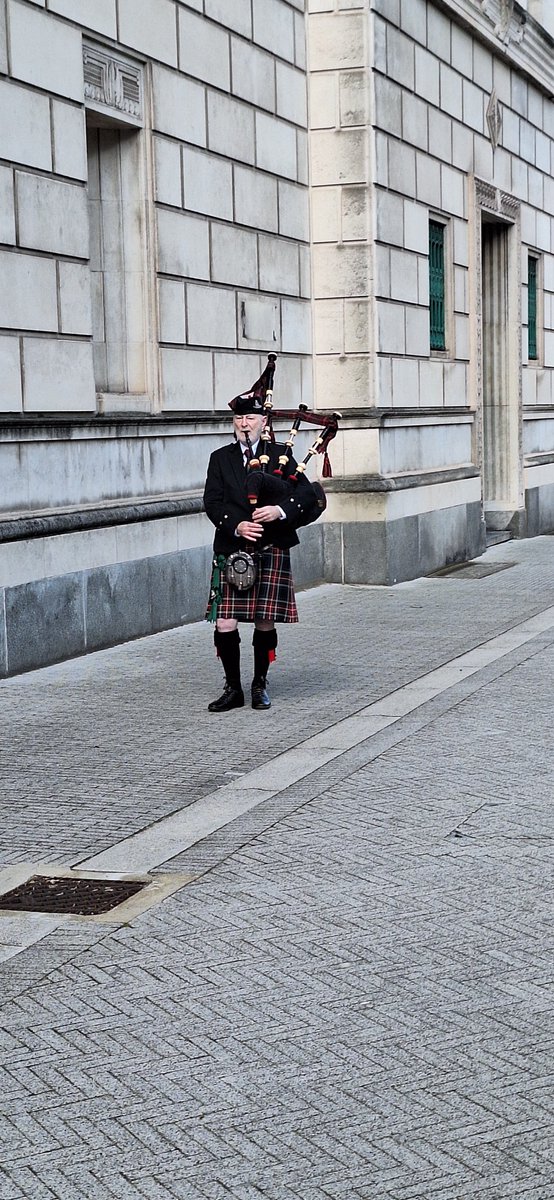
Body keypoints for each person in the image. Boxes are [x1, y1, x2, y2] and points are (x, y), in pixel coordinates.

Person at [203, 384, 320, 713]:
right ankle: (233, 688)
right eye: (239, 418)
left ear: (263, 421)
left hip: (271, 546)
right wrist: (236, 525)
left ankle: (259, 684)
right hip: (232, 548)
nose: (244, 423)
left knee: (264, 620)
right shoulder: (220, 458)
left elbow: (306, 494)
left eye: (250, 418)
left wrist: (279, 510)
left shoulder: (281, 454)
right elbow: (212, 502)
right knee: (225, 622)